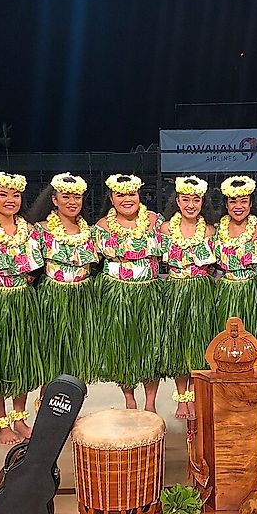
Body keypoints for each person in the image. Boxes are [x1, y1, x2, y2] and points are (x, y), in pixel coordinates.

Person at [0, 170, 45, 444]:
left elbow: (34, 269)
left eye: (15, 195)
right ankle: (2, 422)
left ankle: (20, 417)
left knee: (22, 357)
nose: (10, 200)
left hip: (23, 300)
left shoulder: (29, 230)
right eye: (3, 194)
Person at [94, 174, 164, 411]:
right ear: (112, 198)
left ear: (139, 195)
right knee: (122, 347)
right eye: (120, 194)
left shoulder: (155, 221)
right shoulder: (102, 227)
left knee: (150, 346)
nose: (127, 199)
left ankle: (151, 403)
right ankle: (129, 399)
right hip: (117, 293)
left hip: (149, 293)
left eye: (131, 194)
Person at [28, 173, 98, 392]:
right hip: (52, 299)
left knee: (78, 355)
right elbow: (31, 272)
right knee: (52, 355)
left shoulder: (90, 232)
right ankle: (47, 409)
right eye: (66, 196)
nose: (72, 202)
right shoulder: (40, 230)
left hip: (83, 297)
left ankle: (72, 407)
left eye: (77, 197)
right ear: (54, 199)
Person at [159, 176, 216, 419]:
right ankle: (181, 396)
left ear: (202, 201)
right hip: (174, 290)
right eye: (185, 199)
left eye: (196, 199)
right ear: (177, 200)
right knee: (178, 345)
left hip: (201, 291)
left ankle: (194, 394)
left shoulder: (212, 231)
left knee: (198, 344)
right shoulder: (164, 229)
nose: (190, 204)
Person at [214, 176, 257, 347]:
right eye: (233, 202)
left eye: (244, 201)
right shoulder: (216, 231)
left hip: (254, 292)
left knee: (254, 343)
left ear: (251, 204)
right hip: (225, 292)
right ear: (226, 204)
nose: (238, 207)